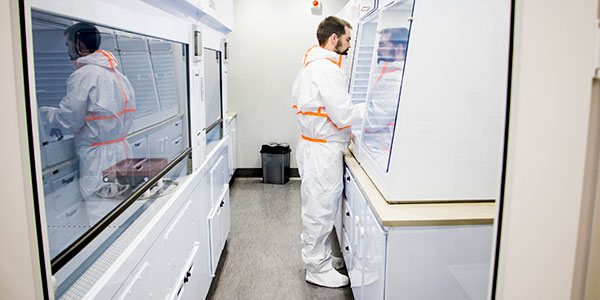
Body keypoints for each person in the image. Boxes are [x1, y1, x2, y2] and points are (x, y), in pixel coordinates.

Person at [291, 16, 365, 288]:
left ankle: (319, 257)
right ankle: (316, 268)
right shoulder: (326, 69)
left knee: (319, 206)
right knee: (320, 209)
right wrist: (374, 107)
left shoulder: (313, 65)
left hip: (316, 145)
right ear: (334, 39)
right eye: (346, 40)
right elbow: (344, 113)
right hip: (321, 151)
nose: (348, 45)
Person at [39, 22, 136, 199]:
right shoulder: (116, 74)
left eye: (68, 45)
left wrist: (42, 113)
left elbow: (69, 119)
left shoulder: (84, 75)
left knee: (100, 209)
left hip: (99, 158)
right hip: (121, 151)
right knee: (120, 205)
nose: (68, 51)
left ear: (79, 45)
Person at [362, 28, 408, 164]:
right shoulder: (389, 74)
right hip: (374, 149)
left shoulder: (395, 79)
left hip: (382, 153)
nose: (378, 50)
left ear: (399, 48)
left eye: (382, 45)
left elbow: (374, 119)